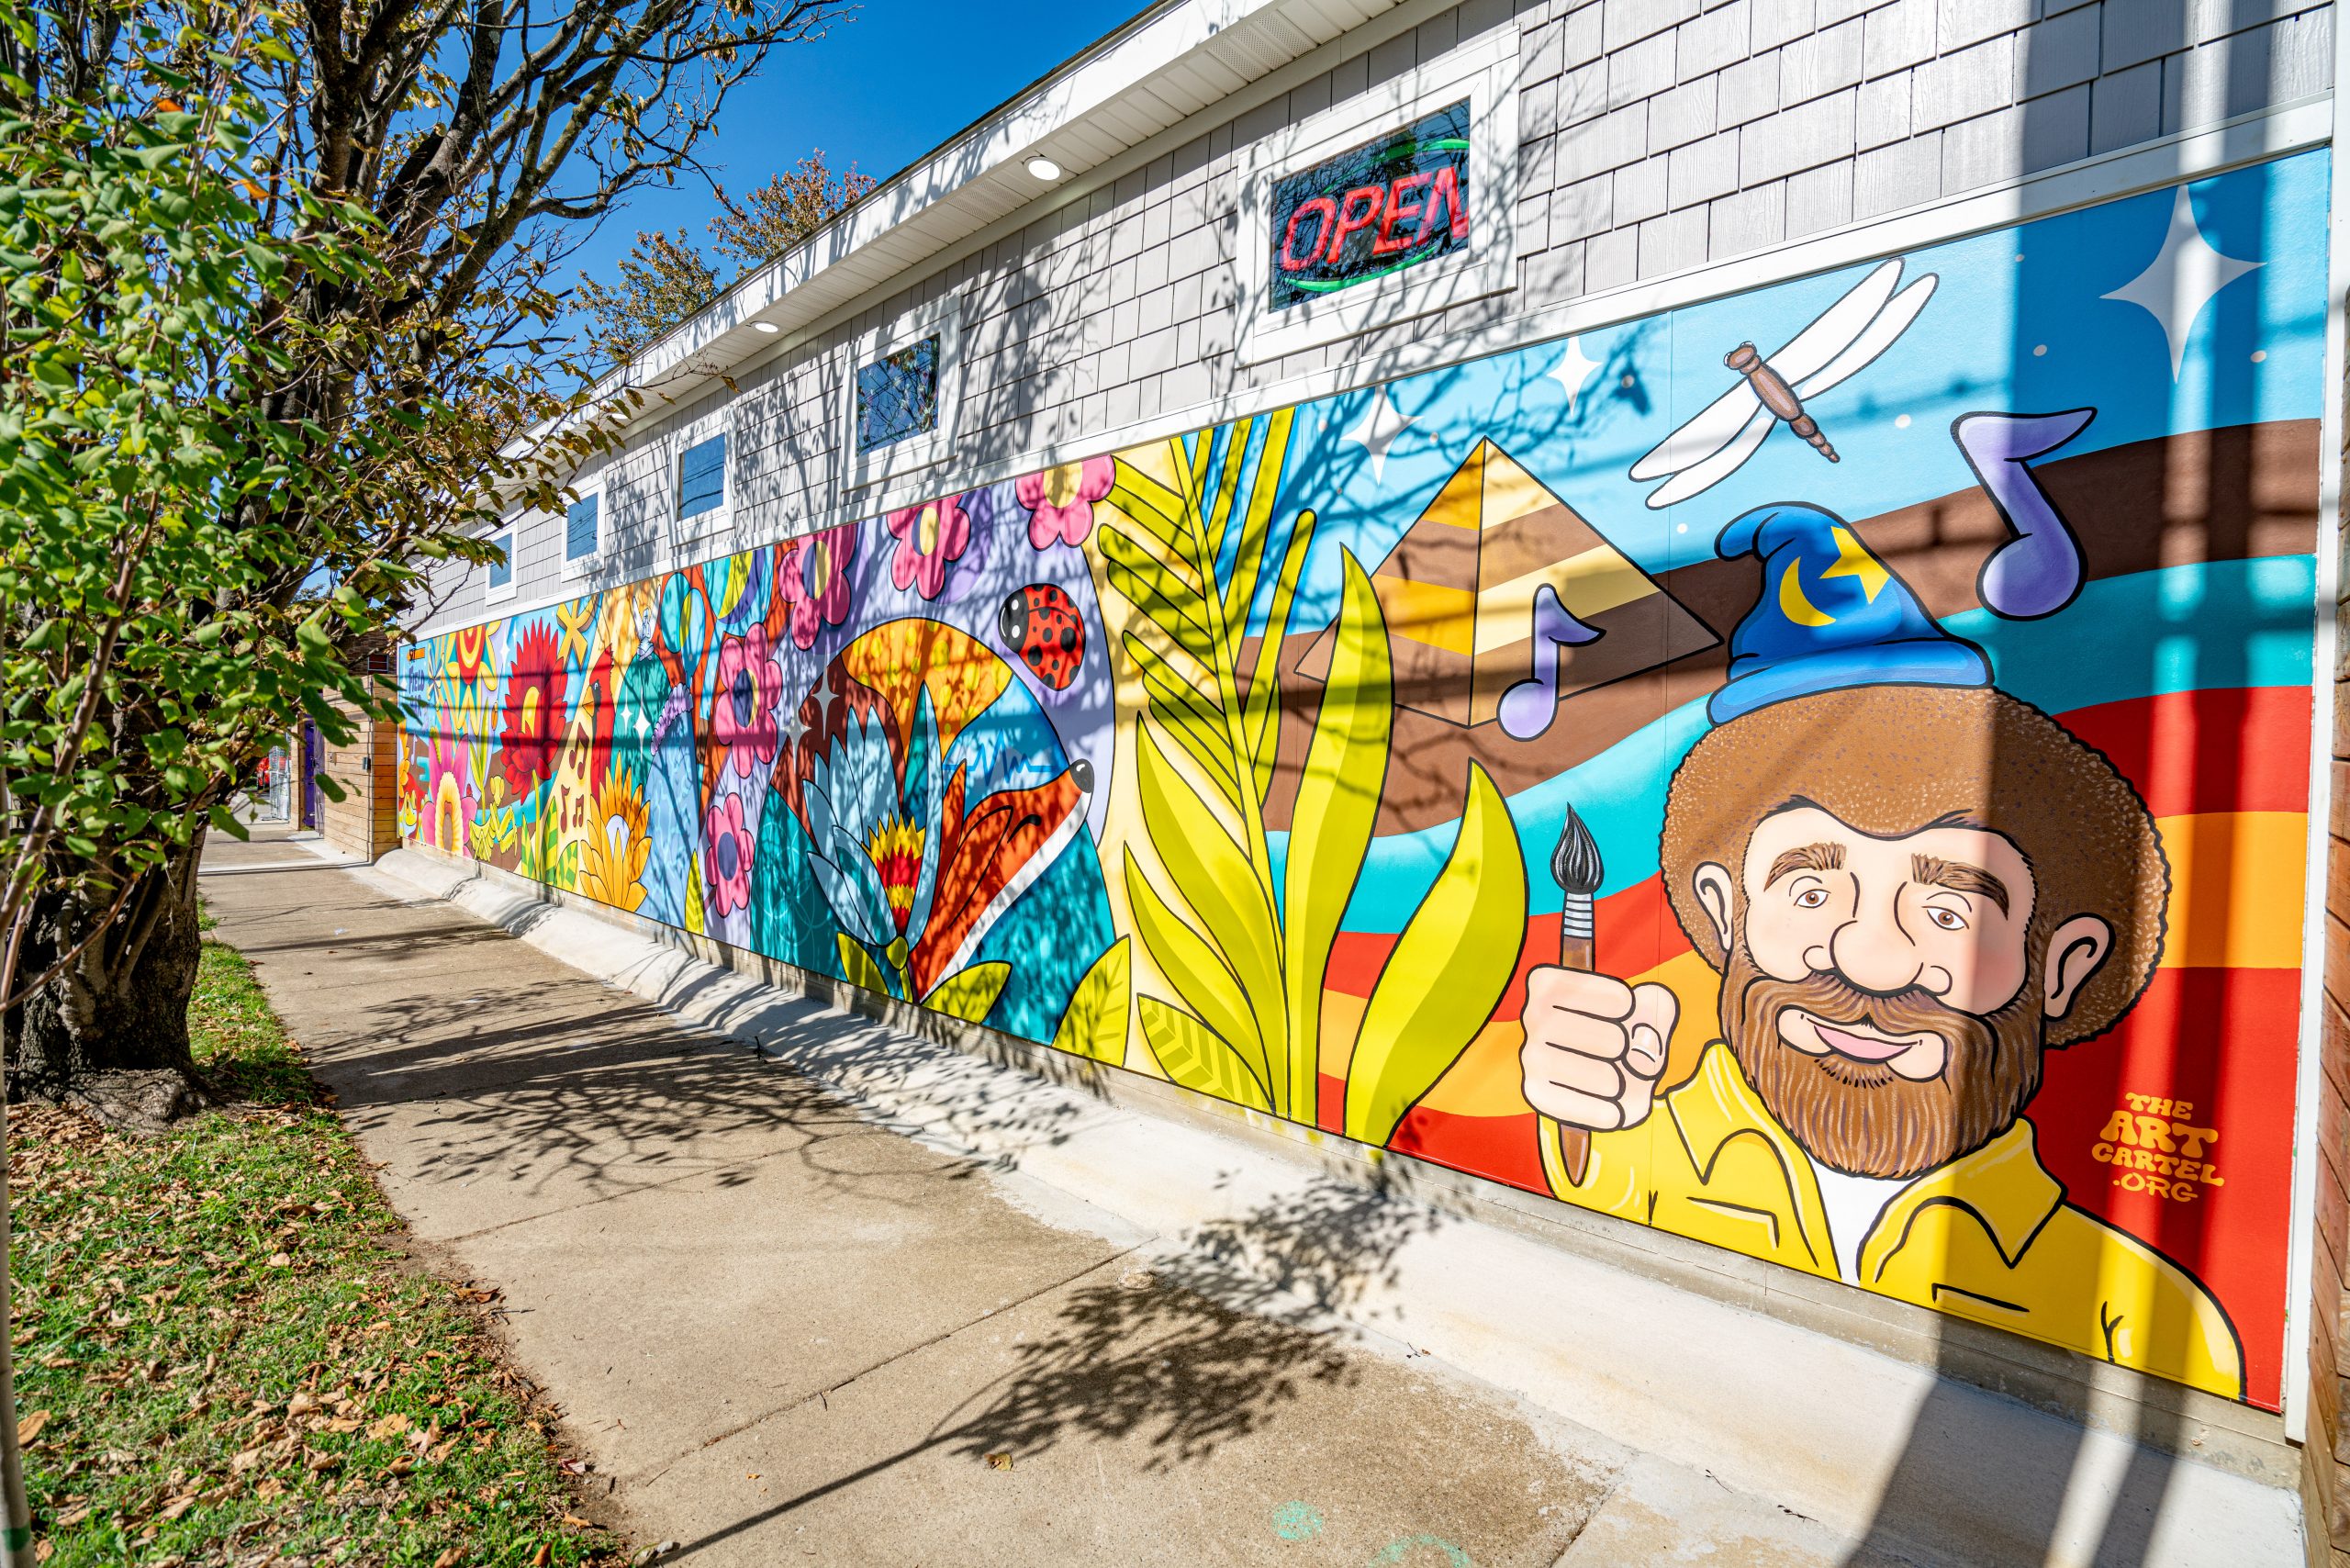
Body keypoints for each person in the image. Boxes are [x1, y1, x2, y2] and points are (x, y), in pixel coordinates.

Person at [1519, 502, 2244, 1400]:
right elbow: (1589, 1178)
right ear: (1724, 911)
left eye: (1948, 909)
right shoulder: (1637, 1161)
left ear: (2062, 963)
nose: (1870, 962)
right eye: (1812, 891)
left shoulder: (2138, 1313)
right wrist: (1578, 1105)